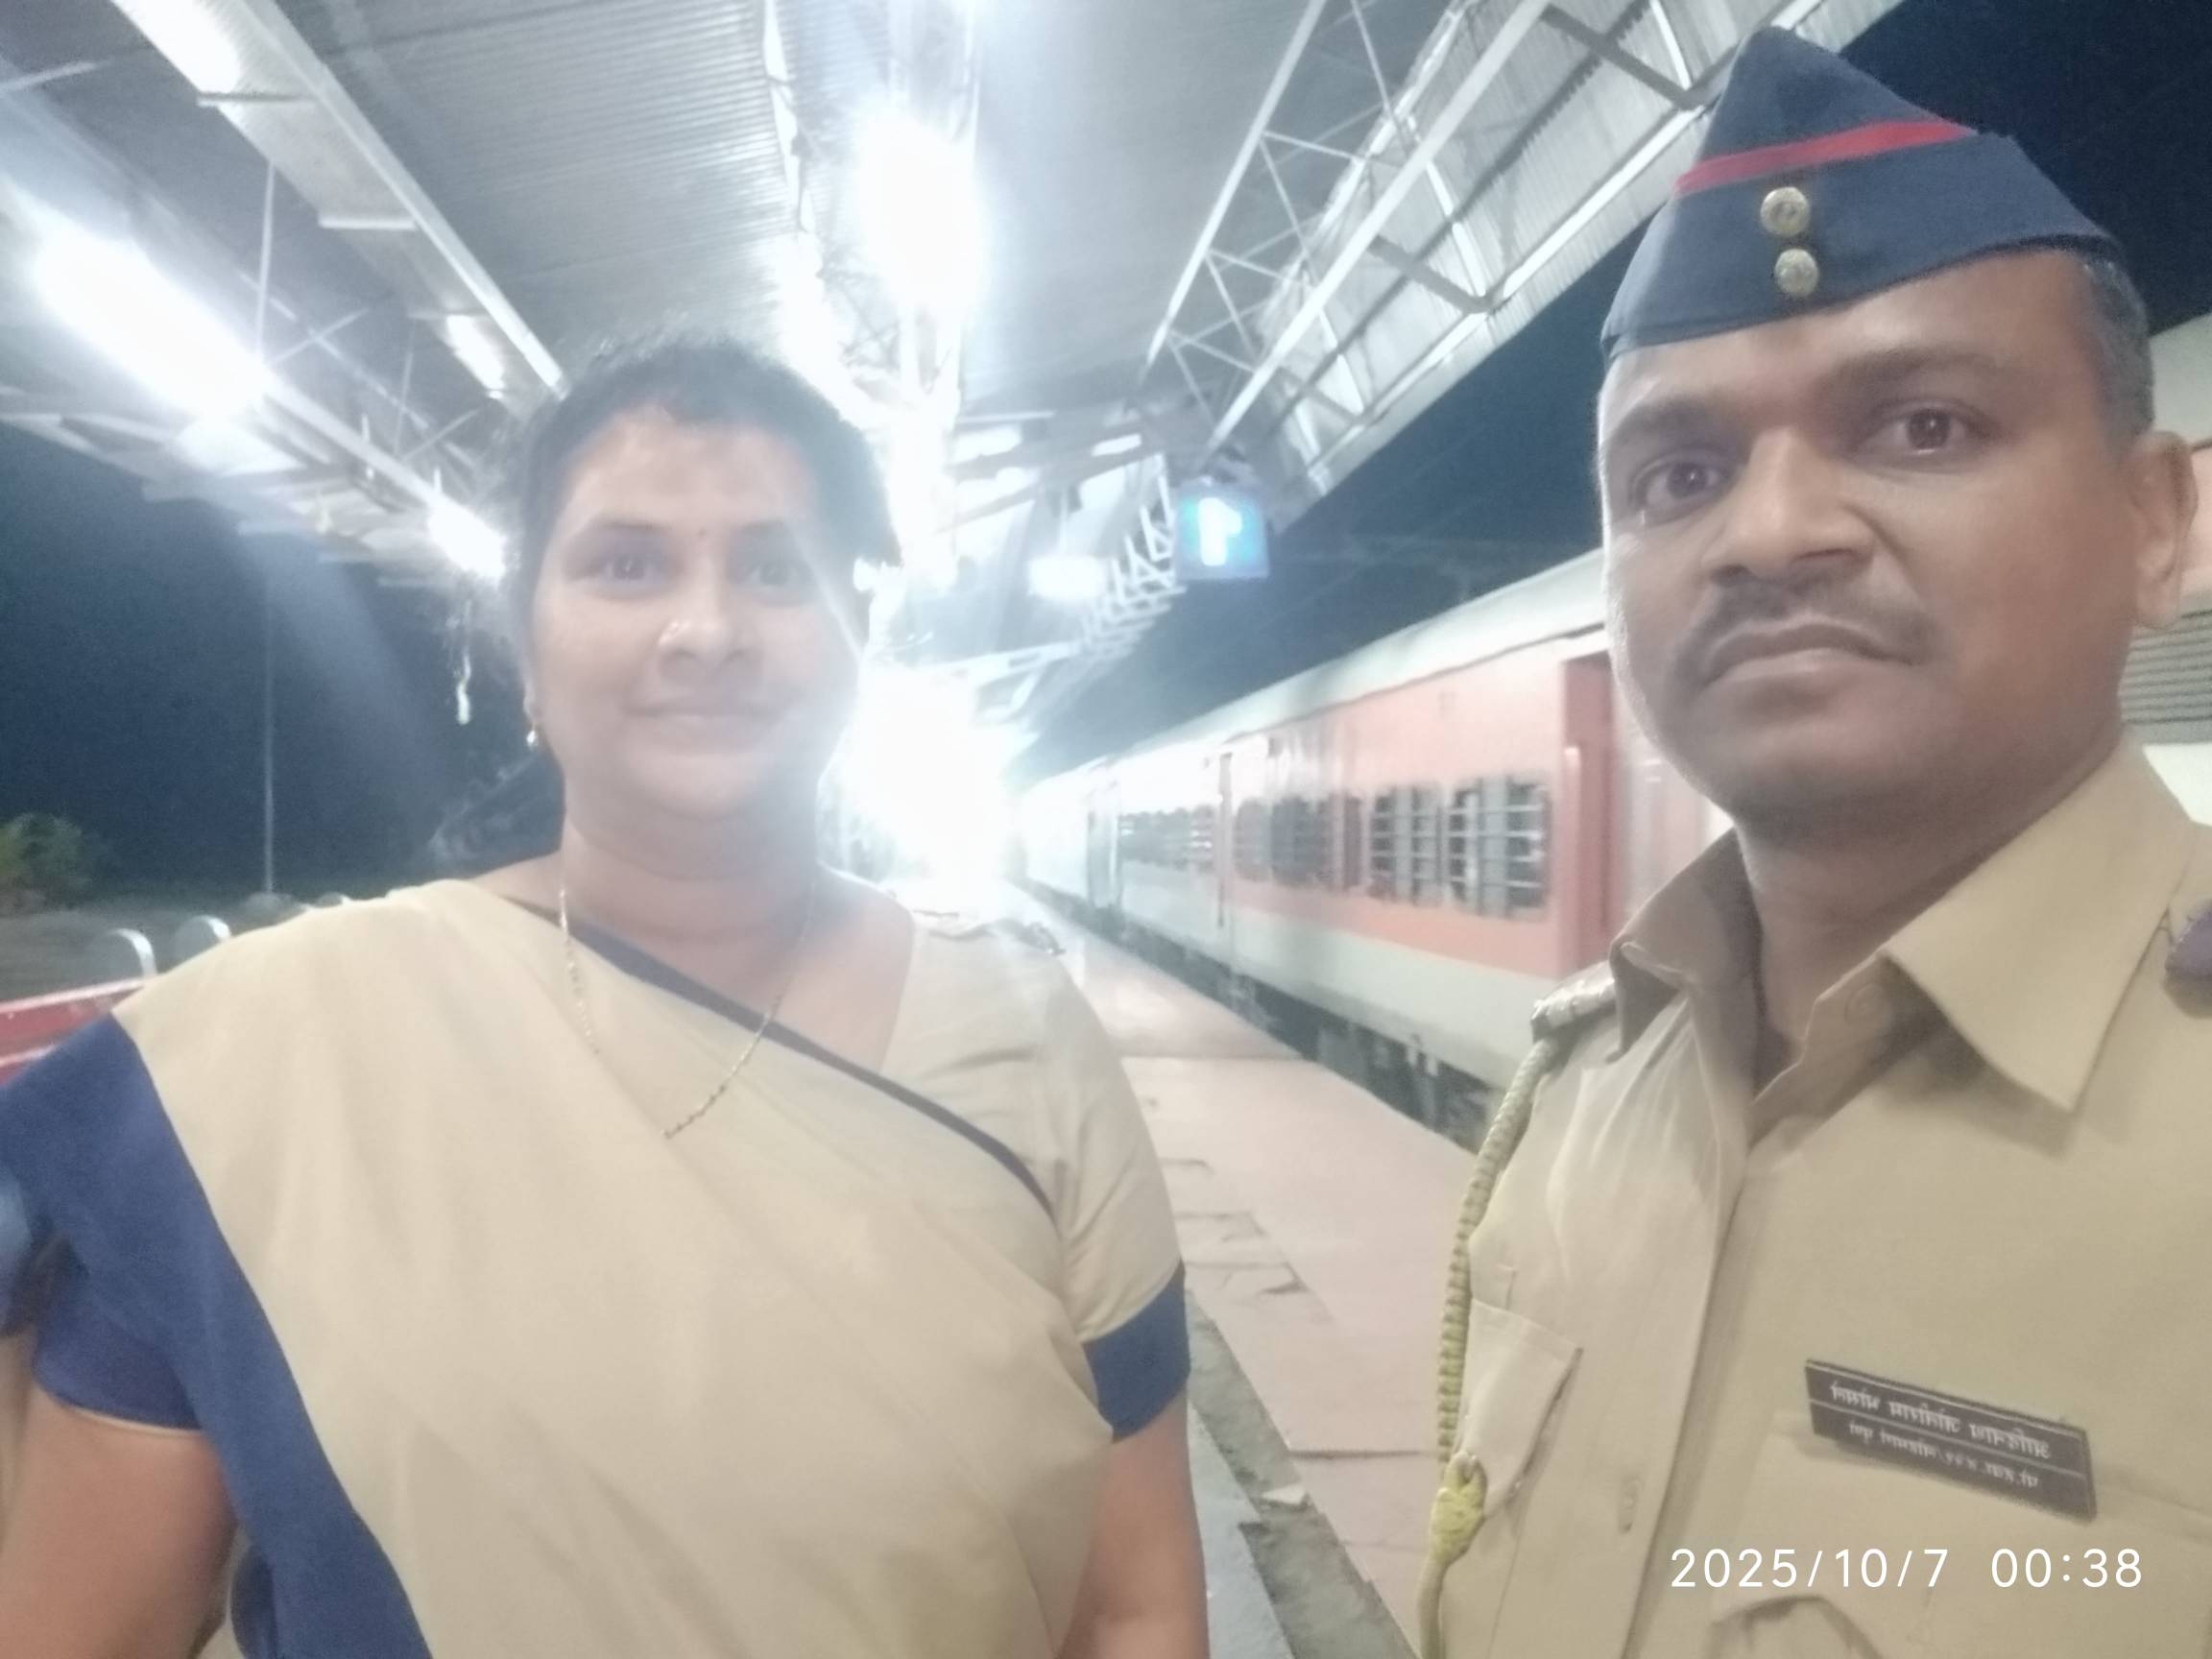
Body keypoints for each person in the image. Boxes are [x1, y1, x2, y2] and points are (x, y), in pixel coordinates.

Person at [0, 338, 1208, 1659]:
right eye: (628, 565)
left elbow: (1136, 1608)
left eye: (775, 568)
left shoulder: (1030, 1043)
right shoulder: (267, 1062)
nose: (708, 629)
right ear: (526, 651)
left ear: (859, 640)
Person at [1423, 29, 2212, 1659]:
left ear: (2156, 524)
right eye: (1679, 473)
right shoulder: (1577, 1101)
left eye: (1923, 426)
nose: (1771, 533)